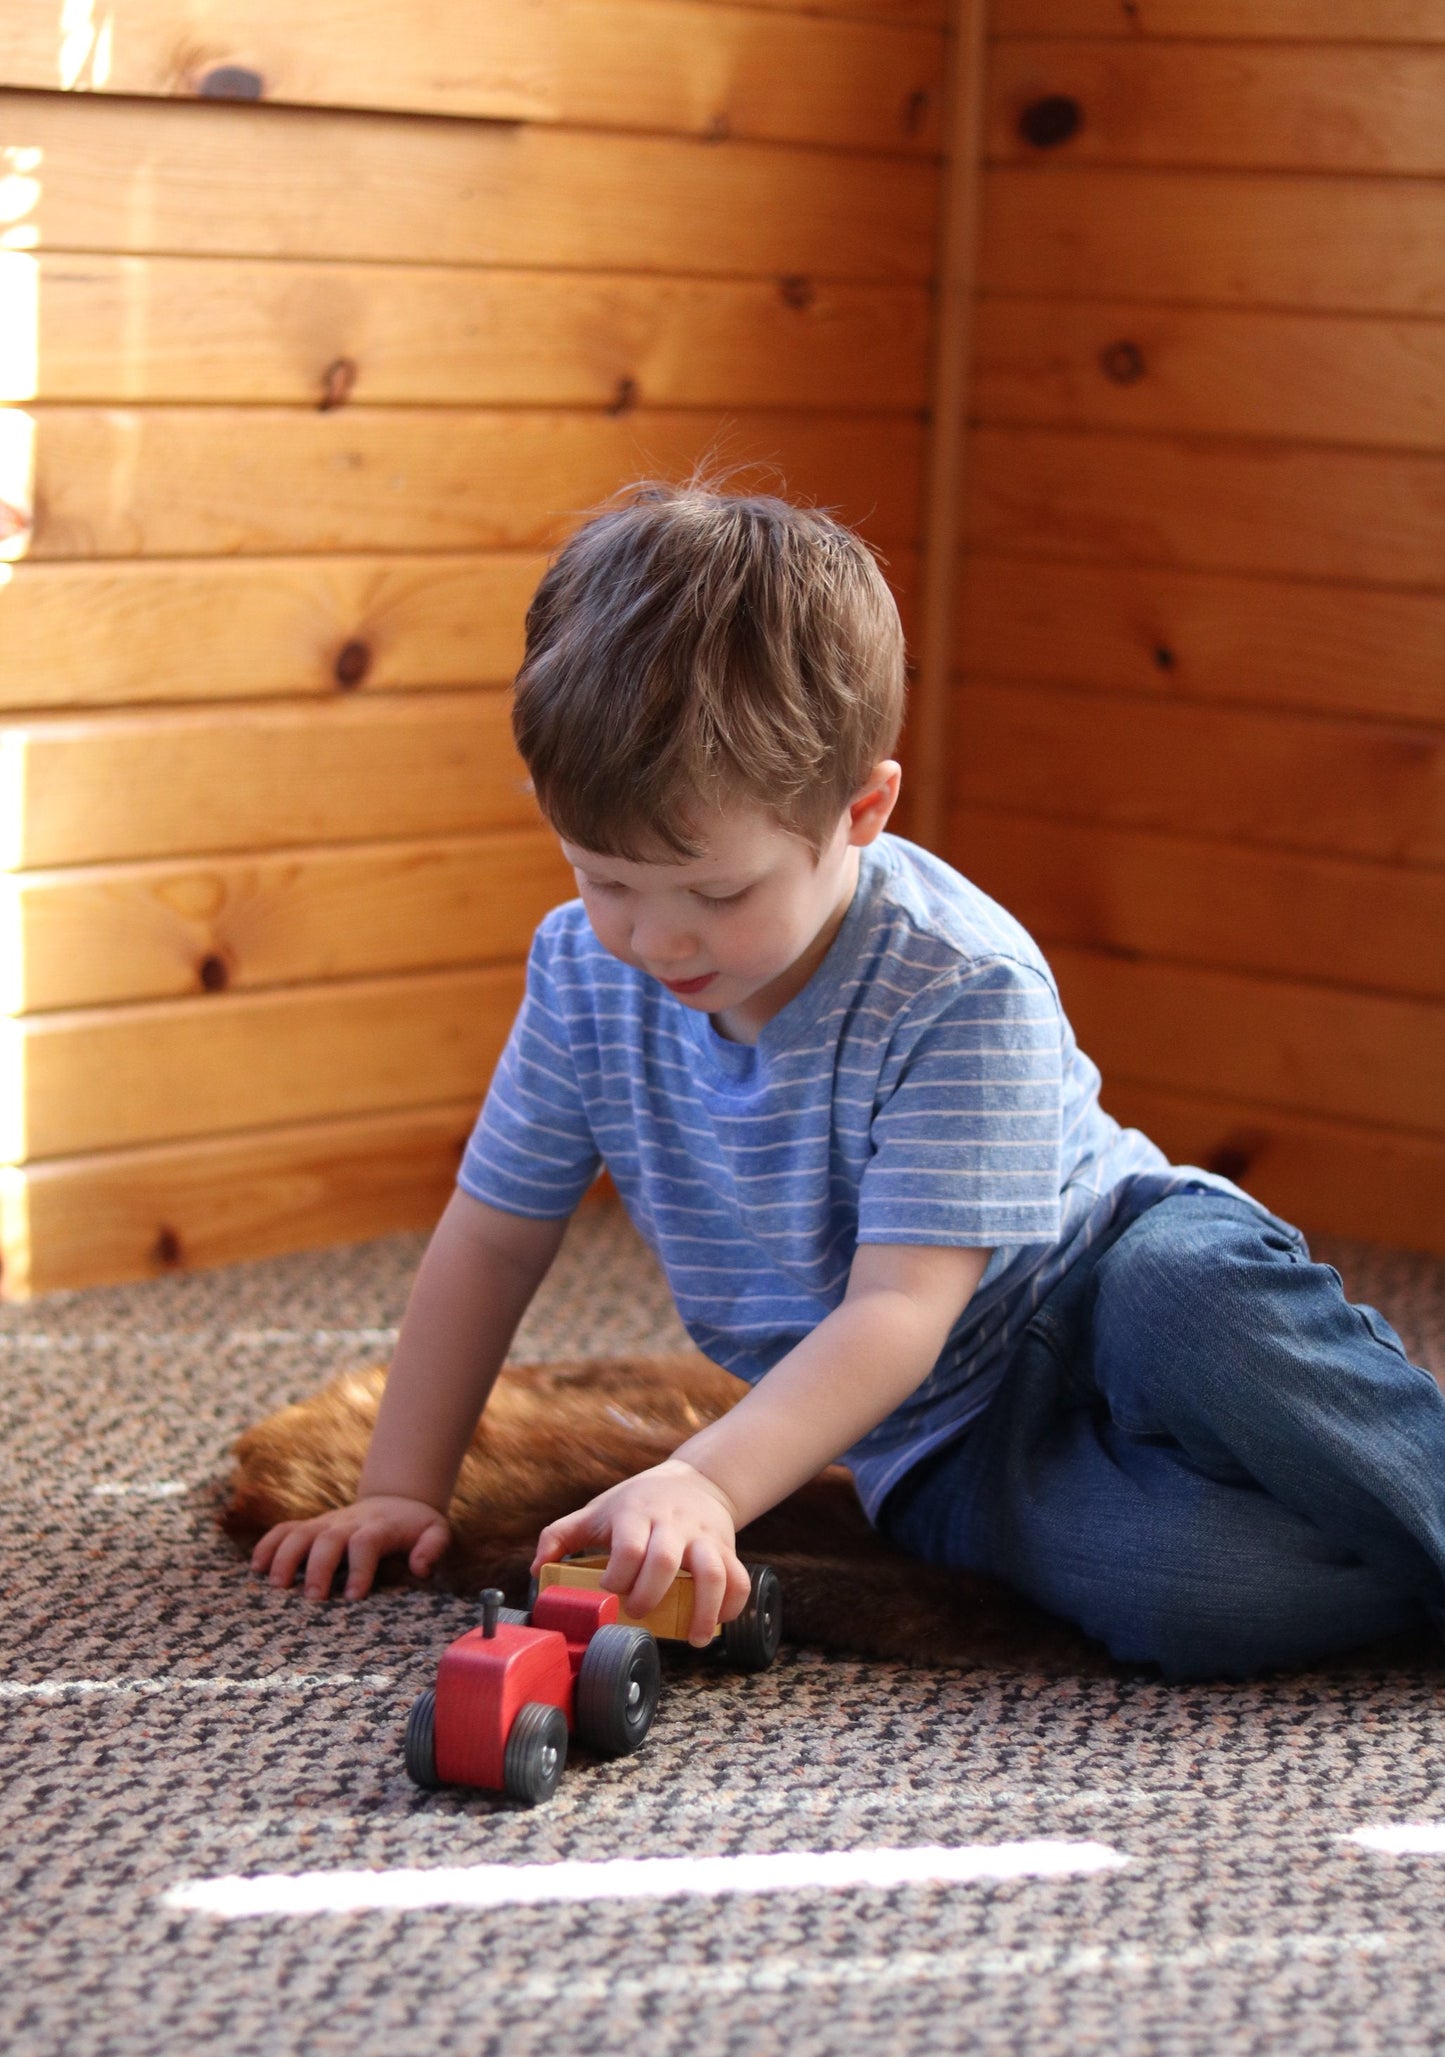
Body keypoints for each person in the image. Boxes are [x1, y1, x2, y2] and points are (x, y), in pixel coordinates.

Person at [252, 484, 1445, 1681]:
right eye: (601, 878)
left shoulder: (960, 983)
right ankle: (1371, 1529)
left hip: (1106, 1285)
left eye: (716, 894)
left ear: (861, 809)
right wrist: (399, 1486)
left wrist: (705, 1475)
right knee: (1202, 1594)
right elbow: (492, 1237)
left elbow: (898, 1309)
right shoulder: (579, 975)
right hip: (945, 1442)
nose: (654, 939)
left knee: (1196, 1310)